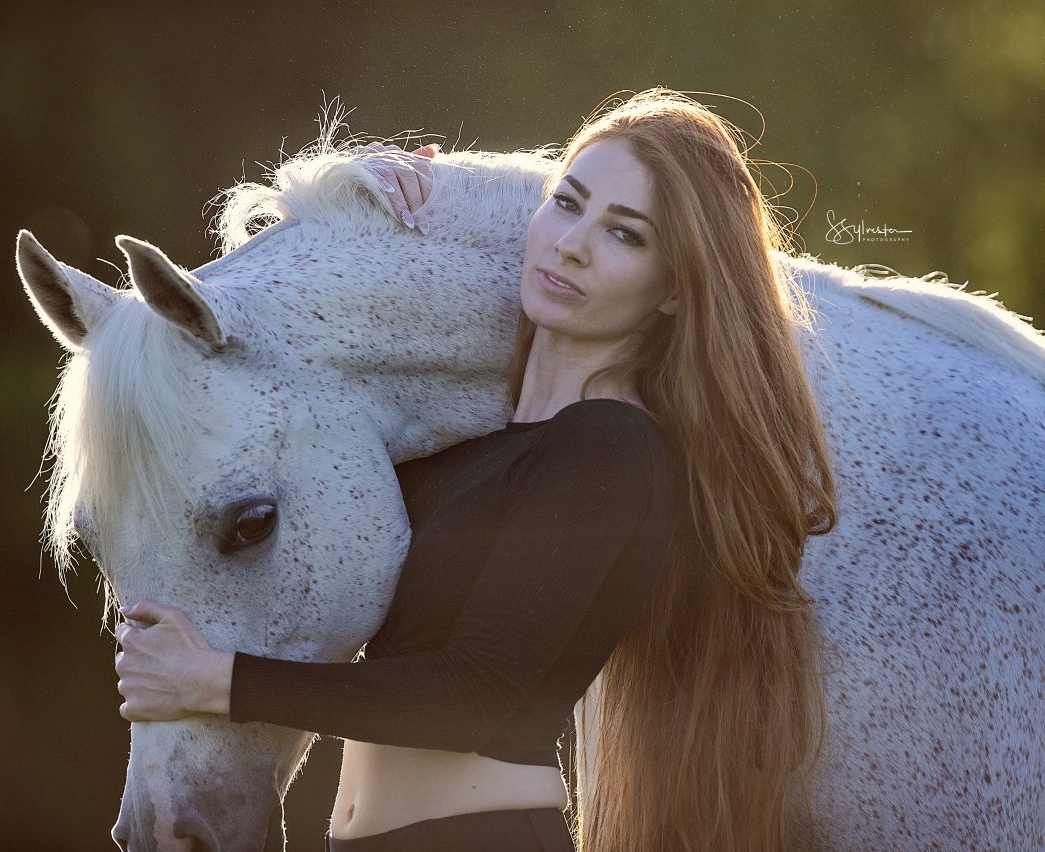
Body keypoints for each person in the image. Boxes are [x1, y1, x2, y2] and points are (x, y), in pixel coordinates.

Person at [114, 88, 837, 852]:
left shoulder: (611, 452)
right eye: (567, 204)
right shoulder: (466, 454)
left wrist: (215, 681)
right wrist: (369, 188)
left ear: (674, 292)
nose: (572, 245)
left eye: (625, 235)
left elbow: (472, 698)